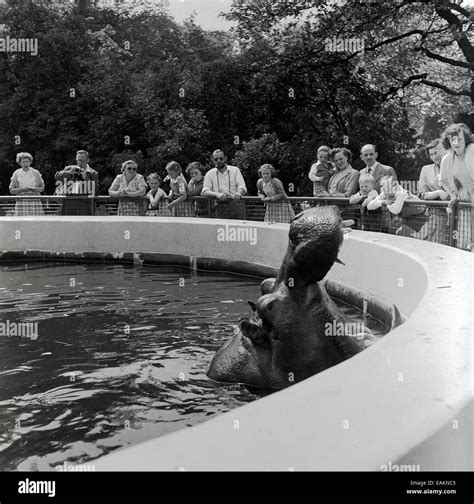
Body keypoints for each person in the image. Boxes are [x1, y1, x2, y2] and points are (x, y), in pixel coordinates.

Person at [439, 123, 474, 251]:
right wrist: (453, 195)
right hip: (463, 201)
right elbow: (443, 181)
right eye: (452, 140)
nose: (456, 143)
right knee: (464, 239)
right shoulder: (446, 159)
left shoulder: (473, 150)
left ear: (465, 139)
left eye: (459, 139)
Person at [418, 139, 450, 244]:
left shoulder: (453, 166)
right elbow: (423, 194)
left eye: (436, 153)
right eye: (431, 154)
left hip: (458, 213)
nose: (434, 156)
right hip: (437, 215)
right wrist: (438, 193)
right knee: (436, 244)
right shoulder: (426, 170)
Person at [201, 149, 247, 219]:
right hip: (220, 207)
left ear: (225, 158)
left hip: (236, 205)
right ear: (213, 160)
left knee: (240, 229)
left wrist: (238, 193)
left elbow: (242, 187)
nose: (219, 161)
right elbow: (204, 191)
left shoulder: (235, 170)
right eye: (216, 159)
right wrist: (217, 194)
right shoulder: (209, 173)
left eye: (221, 158)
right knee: (221, 229)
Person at [54, 150, 99, 215]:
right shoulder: (70, 168)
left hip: (84, 204)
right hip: (68, 203)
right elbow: (57, 176)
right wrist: (69, 173)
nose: (79, 163)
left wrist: (86, 178)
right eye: (78, 160)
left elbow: (96, 189)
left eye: (82, 161)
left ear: (88, 160)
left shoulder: (93, 173)